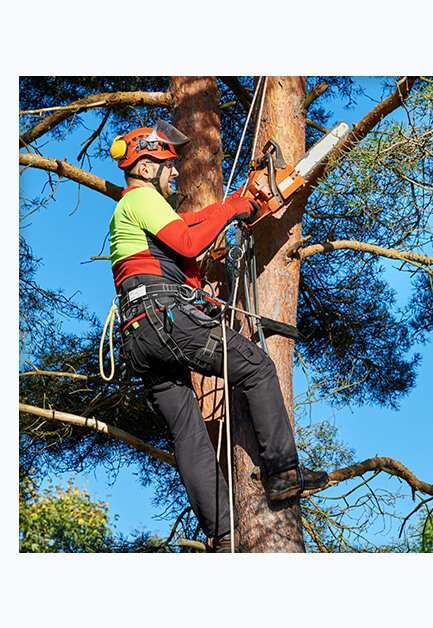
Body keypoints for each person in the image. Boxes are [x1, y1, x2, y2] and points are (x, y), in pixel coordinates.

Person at [108, 120, 328, 552]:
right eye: (169, 166)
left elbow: (184, 234)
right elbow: (189, 241)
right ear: (148, 166)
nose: (175, 174)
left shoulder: (135, 214)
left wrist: (240, 205)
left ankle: (222, 532)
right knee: (257, 367)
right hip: (164, 320)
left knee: (188, 431)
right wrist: (233, 207)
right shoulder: (141, 200)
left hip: (140, 337)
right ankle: (282, 473)